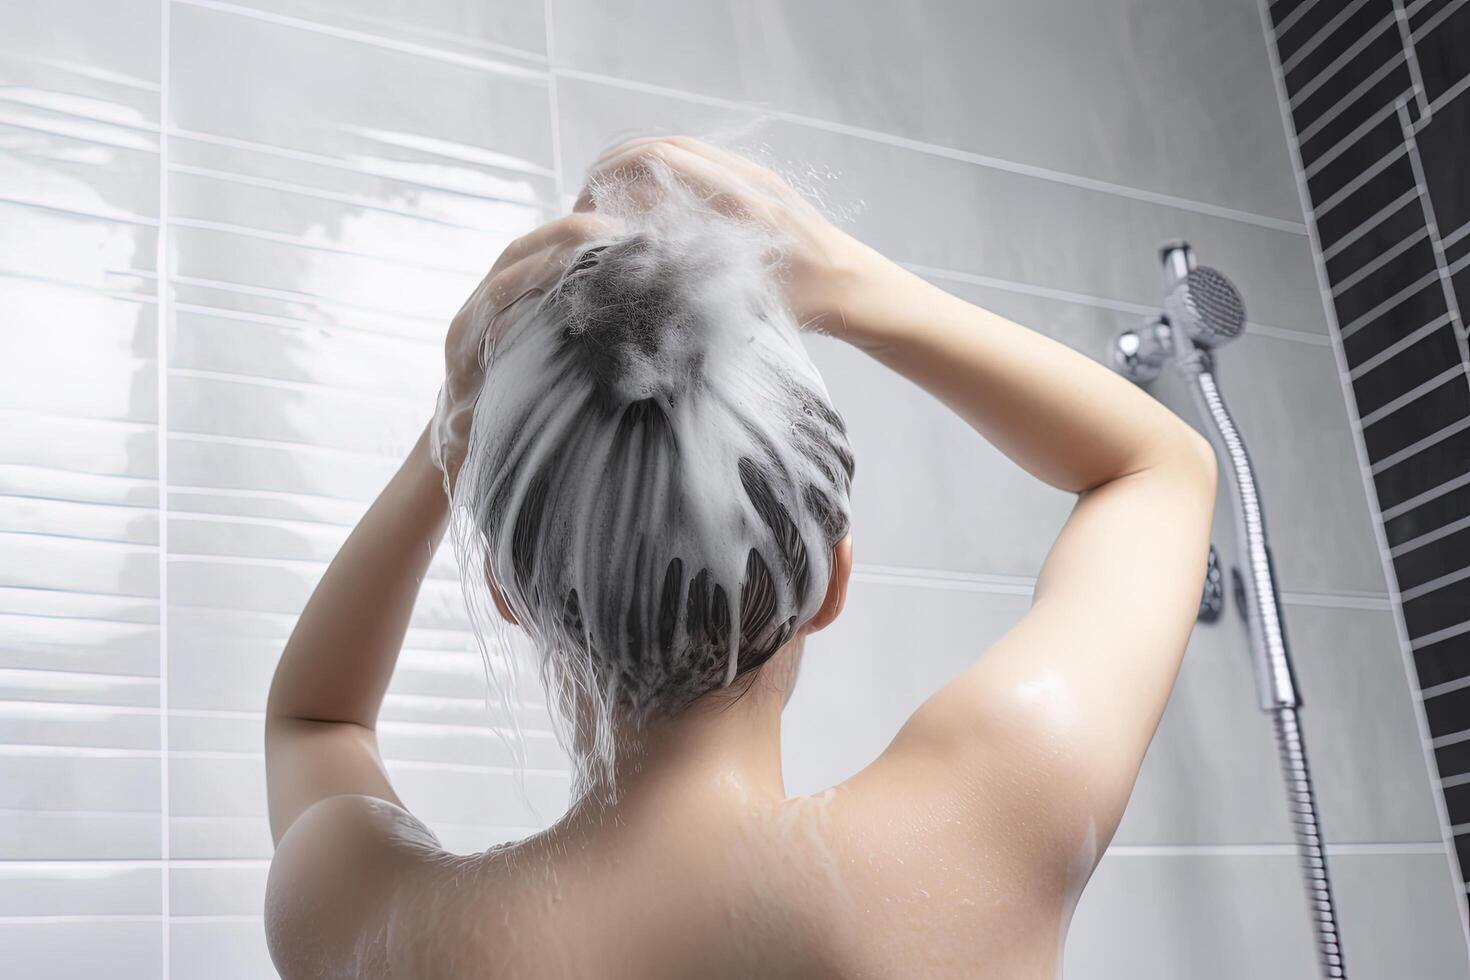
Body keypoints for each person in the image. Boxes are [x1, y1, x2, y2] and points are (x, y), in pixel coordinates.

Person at [262, 136, 1217, 979]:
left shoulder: (379, 937)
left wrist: (456, 428)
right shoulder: (974, 839)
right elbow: (1158, 467)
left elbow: (314, 722)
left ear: (509, 594)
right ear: (831, 581)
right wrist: (848, 282)